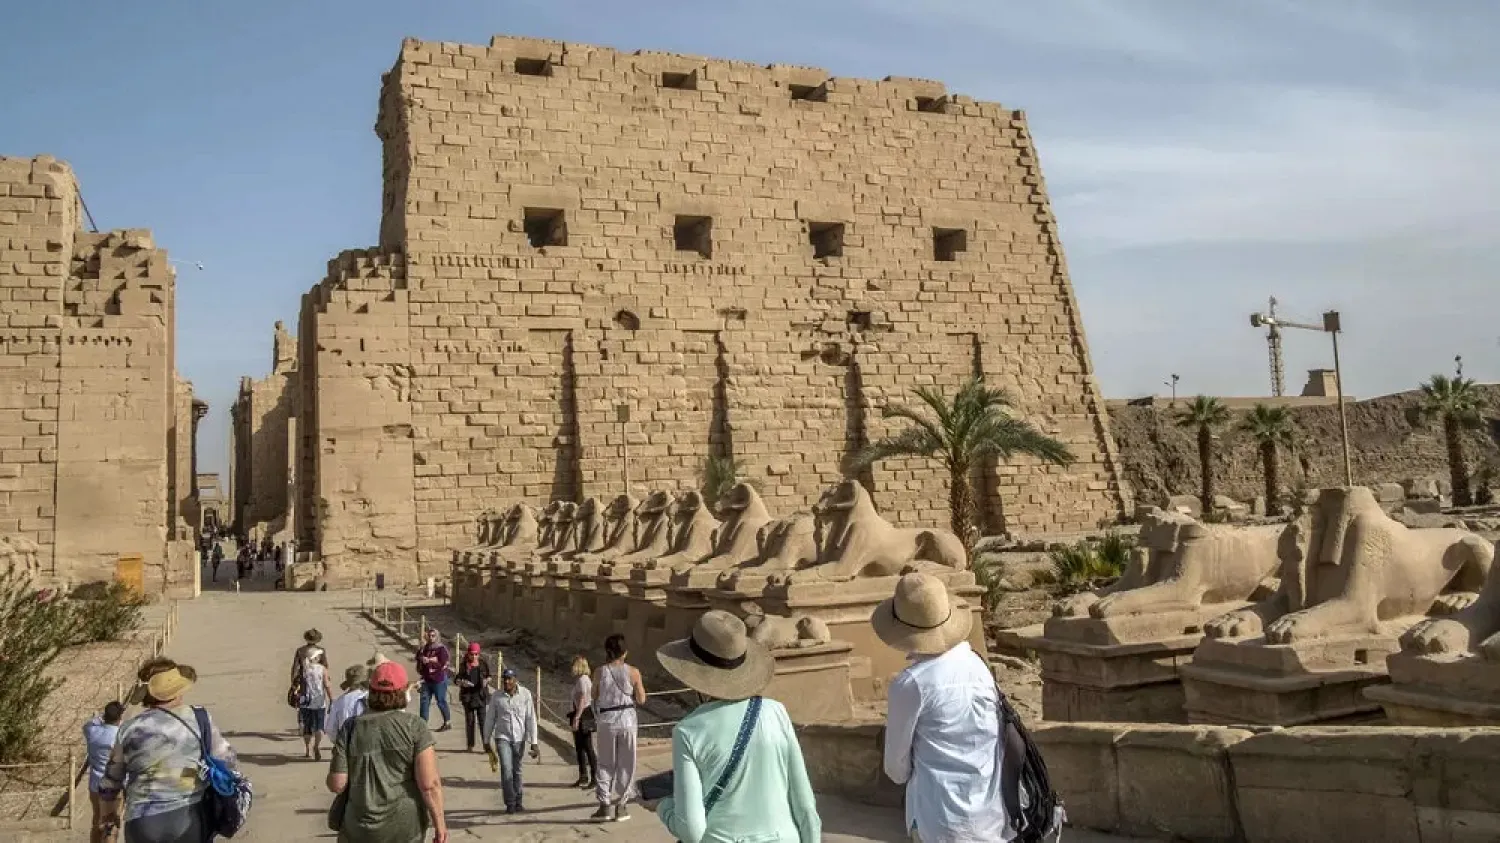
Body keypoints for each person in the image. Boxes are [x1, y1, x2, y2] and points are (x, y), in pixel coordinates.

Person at [649, 611, 821, 843]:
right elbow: (806, 808)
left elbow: (692, 831)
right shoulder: (776, 712)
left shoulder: (688, 731)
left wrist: (663, 806)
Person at [875, 573, 1008, 843]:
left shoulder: (911, 684)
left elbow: (896, 768)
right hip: (990, 814)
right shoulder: (977, 665)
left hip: (938, 818)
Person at [97, 658, 238, 842]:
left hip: (141, 821)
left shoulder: (128, 728)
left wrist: (108, 820)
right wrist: (189, 772)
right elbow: (227, 759)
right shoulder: (198, 717)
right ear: (178, 690)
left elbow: (111, 782)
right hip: (187, 814)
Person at [328, 661, 449, 843]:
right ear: (403, 691)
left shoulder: (350, 727)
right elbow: (429, 785)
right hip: (405, 827)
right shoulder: (415, 726)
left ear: (371, 690)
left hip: (359, 828)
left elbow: (337, 784)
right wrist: (440, 826)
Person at [591, 633, 646, 822]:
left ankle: (604, 804)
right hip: (628, 720)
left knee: (605, 763)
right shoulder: (634, 672)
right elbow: (641, 699)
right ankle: (621, 806)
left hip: (607, 720)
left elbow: (594, 695)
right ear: (624, 652)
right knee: (627, 763)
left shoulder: (599, 671)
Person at [481, 668, 539, 814]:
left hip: (519, 738)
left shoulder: (525, 695)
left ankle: (519, 800)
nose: (506, 681)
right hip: (503, 737)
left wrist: (534, 742)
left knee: (517, 770)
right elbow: (490, 719)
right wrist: (486, 739)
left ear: (515, 680)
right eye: (504, 679)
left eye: (509, 679)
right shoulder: (497, 697)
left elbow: (531, 718)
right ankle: (510, 803)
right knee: (506, 769)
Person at [83, 700, 125, 843]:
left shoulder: (91, 731)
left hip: (95, 783)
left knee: (96, 820)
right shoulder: (121, 736)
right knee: (110, 824)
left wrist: (103, 716)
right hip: (113, 785)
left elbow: (90, 723)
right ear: (120, 718)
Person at [454, 642, 492, 751]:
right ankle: (470, 745)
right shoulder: (464, 665)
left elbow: (489, 676)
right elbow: (456, 680)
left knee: (483, 721)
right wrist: (462, 683)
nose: (474, 656)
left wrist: (486, 681)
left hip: (480, 696)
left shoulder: (483, 664)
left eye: (476, 654)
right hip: (468, 697)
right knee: (470, 721)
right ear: (468, 654)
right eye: (472, 654)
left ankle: (486, 745)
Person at [568, 654, 598, 789]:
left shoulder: (583, 681)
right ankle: (583, 775)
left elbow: (582, 701)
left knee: (588, 747)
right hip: (581, 713)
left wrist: (577, 718)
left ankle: (595, 777)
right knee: (580, 747)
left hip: (583, 714)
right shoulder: (582, 680)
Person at [415, 627, 452, 732]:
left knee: (440, 701)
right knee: (424, 701)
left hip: (438, 679)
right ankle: (423, 725)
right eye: (429, 636)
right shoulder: (425, 648)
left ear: (437, 636)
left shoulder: (441, 649)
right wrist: (422, 656)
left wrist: (431, 661)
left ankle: (447, 722)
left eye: (433, 636)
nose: (431, 638)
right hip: (426, 679)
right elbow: (418, 657)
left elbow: (443, 663)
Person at [300, 649, 335, 761]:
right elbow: (327, 685)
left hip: (305, 702)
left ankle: (307, 749)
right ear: (316, 658)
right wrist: (331, 699)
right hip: (319, 701)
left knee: (307, 726)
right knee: (319, 727)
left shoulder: (304, 669)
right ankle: (316, 746)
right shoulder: (322, 669)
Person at [326, 664, 371, 740]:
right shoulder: (370, 698)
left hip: (347, 743)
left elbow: (330, 730)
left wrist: (340, 743)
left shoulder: (339, 702)